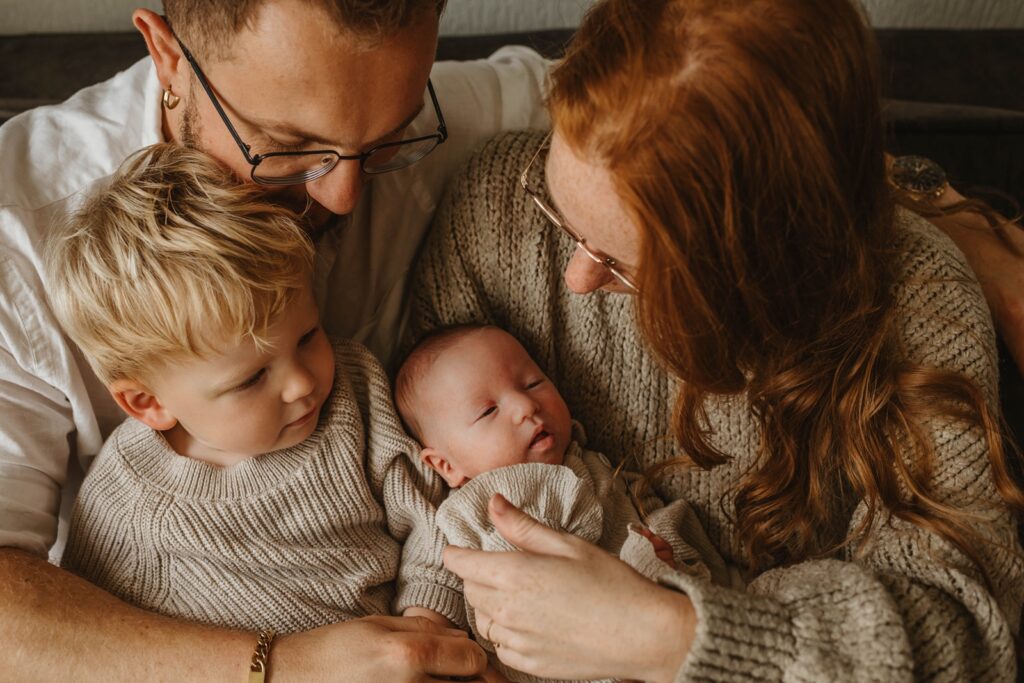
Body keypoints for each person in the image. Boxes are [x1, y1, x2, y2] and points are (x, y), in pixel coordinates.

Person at [408, 0, 1024, 680]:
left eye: (622, 263)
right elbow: (421, 494)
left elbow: (963, 633)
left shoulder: (919, 303)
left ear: (757, 265)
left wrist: (670, 634)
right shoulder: (496, 211)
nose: (578, 279)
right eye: (563, 216)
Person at [0, 1, 548, 678]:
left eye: (384, 143)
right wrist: (284, 666)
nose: (343, 195)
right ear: (167, 55)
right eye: (288, 145)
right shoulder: (17, 230)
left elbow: (644, 84)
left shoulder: (417, 109)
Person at [48, 143, 464, 637]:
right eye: (250, 379)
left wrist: (425, 621)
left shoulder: (356, 389)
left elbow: (433, 517)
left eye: (309, 336)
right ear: (150, 403)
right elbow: (101, 645)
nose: (303, 382)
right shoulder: (127, 511)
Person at [394, 324, 735, 682]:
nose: (526, 405)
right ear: (446, 465)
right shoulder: (460, 514)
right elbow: (430, 585)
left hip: (645, 637)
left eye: (532, 383)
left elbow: (654, 516)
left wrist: (667, 559)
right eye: (488, 411)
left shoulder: (596, 466)